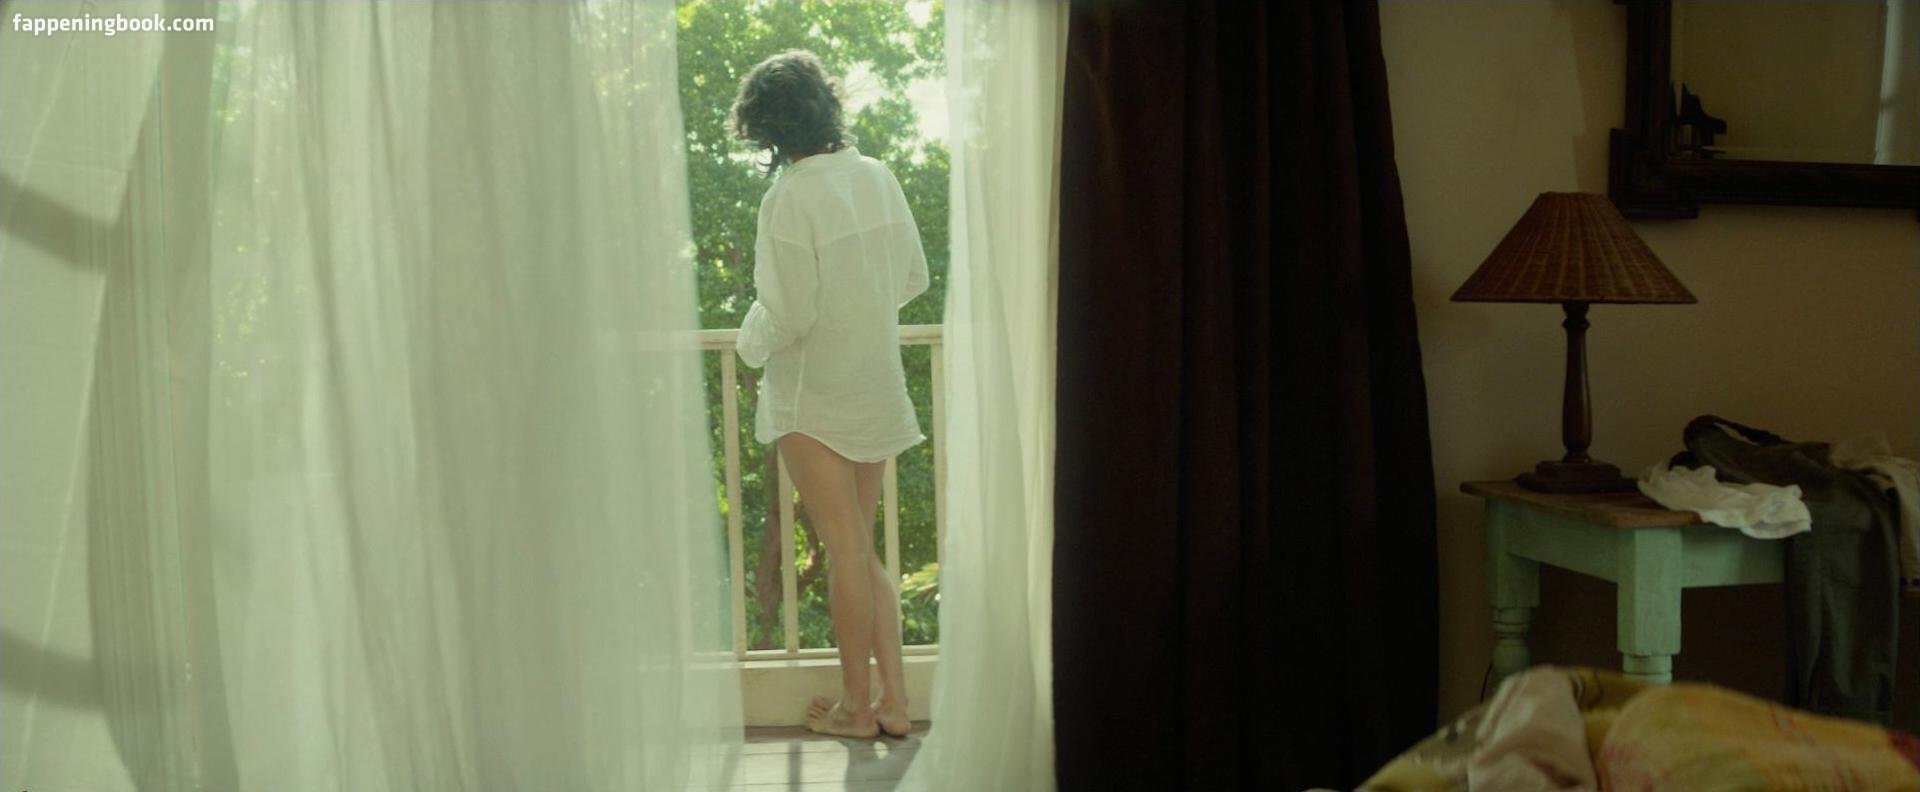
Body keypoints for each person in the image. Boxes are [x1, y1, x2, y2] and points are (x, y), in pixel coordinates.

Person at [730, 49, 929, 739]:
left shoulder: (788, 197)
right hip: (873, 384)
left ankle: (855, 709)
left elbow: (788, 313)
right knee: (862, 553)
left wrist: (747, 342)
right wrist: (859, 308)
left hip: (812, 398)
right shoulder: (877, 176)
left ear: (766, 127)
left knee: (846, 552)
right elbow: (912, 277)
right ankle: (893, 704)